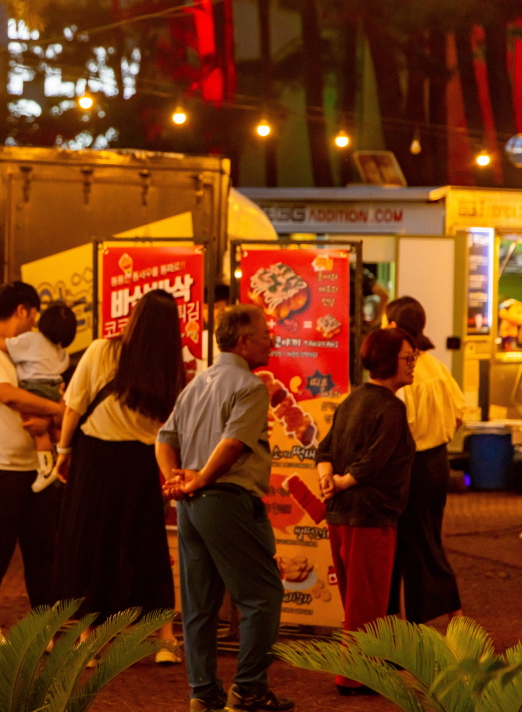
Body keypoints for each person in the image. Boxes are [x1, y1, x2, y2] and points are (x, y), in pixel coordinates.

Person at [156, 304, 292, 712]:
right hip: (226, 500)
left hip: (193, 508)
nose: (272, 340)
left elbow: (163, 438)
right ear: (244, 341)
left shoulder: (197, 383)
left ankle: (204, 693)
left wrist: (175, 479)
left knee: (199, 605)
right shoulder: (249, 386)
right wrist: (200, 478)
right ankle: (248, 689)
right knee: (263, 596)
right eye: (266, 334)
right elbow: (233, 445)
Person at [50, 289, 185, 666]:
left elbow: (74, 406)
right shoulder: (169, 364)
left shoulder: (101, 351)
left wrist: (63, 451)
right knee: (147, 548)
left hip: (96, 460)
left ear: (135, 316)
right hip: (141, 463)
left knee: (95, 547)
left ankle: (91, 642)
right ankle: (164, 639)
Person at [317, 327, 418, 696]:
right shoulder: (391, 406)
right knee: (367, 599)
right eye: (408, 359)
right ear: (389, 360)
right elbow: (373, 462)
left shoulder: (353, 398)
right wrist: (342, 480)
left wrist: (328, 478)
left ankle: (360, 669)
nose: (412, 366)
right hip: (371, 515)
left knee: (354, 597)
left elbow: (323, 449)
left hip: (341, 515)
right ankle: (353, 676)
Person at [0, 281, 65, 635]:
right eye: (34, 315)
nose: (35, 324)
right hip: (2, 468)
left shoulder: (22, 350)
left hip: (37, 465)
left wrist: (53, 414)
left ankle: (43, 628)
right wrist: (60, 411)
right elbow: (8, 396)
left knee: (41, 552)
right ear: (23, 310)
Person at [383, 297, 464, 625]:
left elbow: (398, 428)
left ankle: (414, 622)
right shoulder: (436, 366)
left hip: (411, 467)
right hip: (437, 462)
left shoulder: (404, 372)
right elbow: (460, 413)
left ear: (391, 326)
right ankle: (443, 612)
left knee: (411, 543)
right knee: (428, 537)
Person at [0, 302, 78, 492]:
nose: (34, 321)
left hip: (35, 387)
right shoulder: (61, 352)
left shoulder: (32, 340)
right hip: (54, 386)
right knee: (54, 431)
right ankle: (59, 462)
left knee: (39, 432)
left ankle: (46, 471)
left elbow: (4, 345)